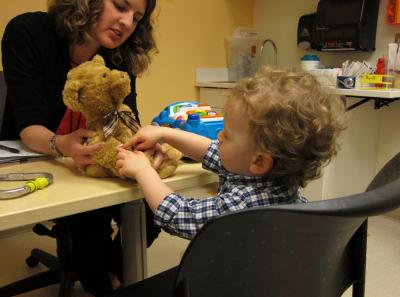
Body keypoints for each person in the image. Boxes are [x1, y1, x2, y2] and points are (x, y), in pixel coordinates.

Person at [1, 0, 161, 296]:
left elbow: (128, 115)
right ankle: (101, 277)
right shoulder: (27, 32)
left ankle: (110, 270)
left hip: (95, 156)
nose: (127, 23)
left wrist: (145, 143)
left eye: (137, 18)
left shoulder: (120, 54)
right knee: (90, 219)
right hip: (39, 157)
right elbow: (29, 126)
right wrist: (60, 144)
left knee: (153, 205)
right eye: (120, 6)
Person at [115, 68, 347, 240]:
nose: (218, 138)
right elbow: (210, 150)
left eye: (227, 135)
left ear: (259, 161)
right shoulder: (269, 178)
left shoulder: (242, 209)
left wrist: (143, 171)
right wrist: (164, 134)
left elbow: (178, 213)